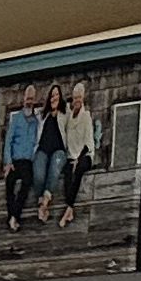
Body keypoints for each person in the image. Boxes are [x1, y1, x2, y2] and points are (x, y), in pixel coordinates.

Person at [2, 86, 43, 229]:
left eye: (32, 99)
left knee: (27, 182)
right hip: (15, 160)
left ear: (34, 100)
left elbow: (37, 142)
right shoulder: (17, 118)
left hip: (27, 161)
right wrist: (8, 162)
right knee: (9, 184)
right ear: (23, 99)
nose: (29, 101)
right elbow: (8, 141)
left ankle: (15, 216)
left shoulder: (35, 121)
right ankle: (11, 216)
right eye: (27, 98)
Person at [59, 80, 98, 222]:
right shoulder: (69, 118)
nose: (77, 101)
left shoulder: (86, 116)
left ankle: (69, 208)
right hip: (71, 155)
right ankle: (70, 209)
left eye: (79, 98)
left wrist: (78, 159)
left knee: (79, 170)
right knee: (67, 175)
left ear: (83, 99)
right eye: (75, 98)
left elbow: (88, 143)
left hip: (85, 154)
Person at [35, 87, 68, 221]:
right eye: (52, 95)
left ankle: (44, 204)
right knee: (38, 174)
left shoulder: (65, 114)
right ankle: (40, 200)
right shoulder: (42, 116)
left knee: (54, 168)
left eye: (57, 95)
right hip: (42, 150)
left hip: (59, 151)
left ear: (60, 98)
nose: (54, 98)